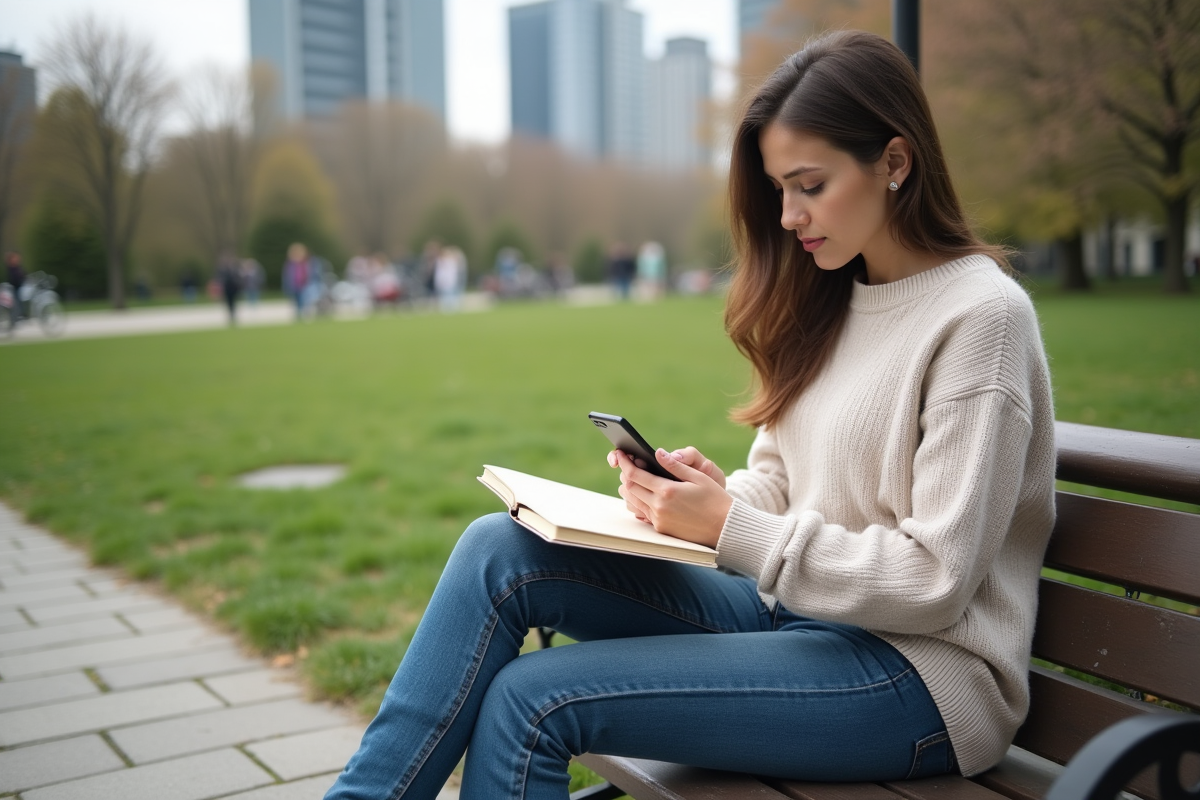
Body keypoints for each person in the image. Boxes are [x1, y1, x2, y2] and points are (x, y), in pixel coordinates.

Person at [323, 30, 1055, 800]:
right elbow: (779, 487)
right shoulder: (832, 298)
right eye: (779, 189)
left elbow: (935, 578)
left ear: (895, 164)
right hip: (793, 620)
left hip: (919, 677)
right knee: (496, 550)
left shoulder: (981, 319)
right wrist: (705, 498)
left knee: (534, 700)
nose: (789, 216)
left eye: (809, 185)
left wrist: (730, 529)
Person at [282, 243, 311, 320]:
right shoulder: (290, 264)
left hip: (303, 285)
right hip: (294, 285)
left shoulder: (304, 263)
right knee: (295, 301)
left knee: (303, 300)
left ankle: (303, 313)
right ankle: (298, 314)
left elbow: (308, 274)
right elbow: (287, 276)